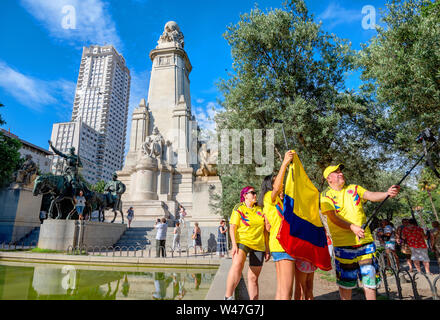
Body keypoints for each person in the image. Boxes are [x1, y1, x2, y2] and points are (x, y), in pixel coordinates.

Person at [320, 164, 400, 300]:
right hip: (343, 245)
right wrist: (352, 227)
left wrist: (386, 194)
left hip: (365, 243)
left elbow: (371, 195)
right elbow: (333, 218)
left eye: (341, 171)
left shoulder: (354, 188)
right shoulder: (325, 196)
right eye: (336, 172)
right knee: (346, 284)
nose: (340, 173)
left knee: (370, 281)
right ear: (329, 179)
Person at [258, 150, 296, 300]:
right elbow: (276, 188)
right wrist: (285, 163)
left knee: (281, 291)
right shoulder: (269, 197)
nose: (280, 182)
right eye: (276, 180)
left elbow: (268, 226)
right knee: (286, 292)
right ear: (270, 185)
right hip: (284, 244)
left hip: (278, 243)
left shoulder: (274, 201)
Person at [224, 186, 270, 300]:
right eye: (252, 193)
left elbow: (265, 231)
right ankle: (228, 297)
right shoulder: (239, 207)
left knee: (254, 278)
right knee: (237, 265)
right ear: (245, 196)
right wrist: (234, 245)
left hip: (259, 245)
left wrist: (267, 249)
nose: (255, 195)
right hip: (243, 241)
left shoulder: (260, 209)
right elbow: (232, 227)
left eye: (255, 193)